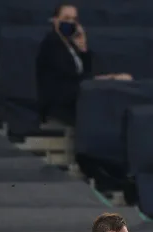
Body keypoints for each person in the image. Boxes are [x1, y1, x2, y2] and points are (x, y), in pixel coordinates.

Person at [32, 3, 131, 134]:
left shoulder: (71, 46)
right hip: (60, 105)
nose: (70, 22)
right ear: (55, 20)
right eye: (66, 18)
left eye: (74, 19)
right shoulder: (51, 44)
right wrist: (108, 78)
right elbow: (70, 78)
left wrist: (83, 48)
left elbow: (88, 73)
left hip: (77, 99)